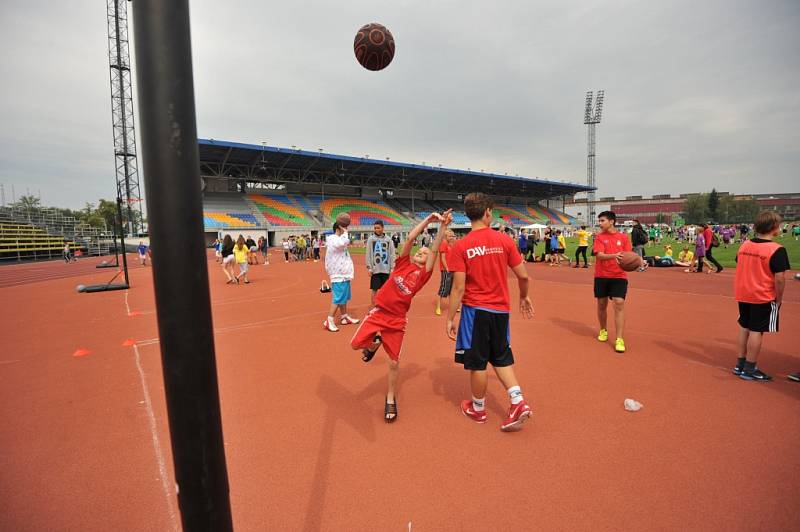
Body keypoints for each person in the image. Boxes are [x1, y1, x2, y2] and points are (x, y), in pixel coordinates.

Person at [351, 211, 452, 423]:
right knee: (356, 343)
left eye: (424, 254)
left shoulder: (424, 274)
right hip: (379, 313)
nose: (421, 252)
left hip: (397, 321)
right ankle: (374, 343)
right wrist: (429, 220)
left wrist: (442, 228)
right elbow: (410, 238)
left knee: (394, 363)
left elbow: (434, 249)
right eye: (420, 251)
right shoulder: (403, 263)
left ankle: (390, 397)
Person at [446, 193, 534, 432]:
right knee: (500, 356)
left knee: (478, 363)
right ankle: (518, 401)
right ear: (487, 212)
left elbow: (458, 287)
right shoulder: (504, 240)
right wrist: (524, 296)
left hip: (475, 311)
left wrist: (451, 317)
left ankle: (478, 408)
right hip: (501, 311)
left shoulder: (461, 246)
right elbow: (523, 275)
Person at [732, 211, 790, 381]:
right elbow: (779, 279)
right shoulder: (776, 249)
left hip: (743, 293)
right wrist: (779, 299)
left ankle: (740, 364)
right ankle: (750, 368)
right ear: (773, 228)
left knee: (744, 327)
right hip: (762, 295)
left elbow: (740, 261)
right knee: (757, 331)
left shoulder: (745, 245)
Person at [593, 211, 632, 353]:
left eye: (602, 220)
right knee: (602, 304)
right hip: (601, 275)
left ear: (612, 221)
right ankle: (603, 330)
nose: (600, 223)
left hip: (619, 276)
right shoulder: (599, 237)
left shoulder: (623, 237)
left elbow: (629, 256)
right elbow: (600, 256)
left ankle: (619, 338)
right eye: (599, 221)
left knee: (619, 302)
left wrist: (639, 261)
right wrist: (615, 255)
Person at [323, 222, 359, 332]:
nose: (346, 229)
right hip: (338, 274)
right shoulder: (333, 238)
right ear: (339, 228)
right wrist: (345, 233)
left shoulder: (337, 239)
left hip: (343, 274)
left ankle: (344, 317)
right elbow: (342, 243)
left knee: (343, 297)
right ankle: (329, 320)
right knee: (338, 298)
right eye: (344, 227)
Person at [366, 220, 396, 308]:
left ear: (383, 228)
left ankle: (386, 305)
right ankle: (373, 306)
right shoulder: (371, 239)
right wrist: (369, 268)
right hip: (375, 270)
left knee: (387, 289)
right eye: (375, 228)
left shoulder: (388, 240)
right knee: (374, 289)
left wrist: (392, 267)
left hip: (386, 270)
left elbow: (392, 254)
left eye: (378, 228)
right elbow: (368, 254)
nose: (376, 229)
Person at [436, 229, 456, 315]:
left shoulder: (451, 244)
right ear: (446, 236)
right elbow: (443, 258)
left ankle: (453, 306)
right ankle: (438, 307)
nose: (452, 237)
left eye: (453, 236)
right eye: (450, 236)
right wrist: (446, 268)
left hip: (453, 269)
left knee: (452, 289)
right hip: (446, 270)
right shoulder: (443, 243)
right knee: (443, 288)